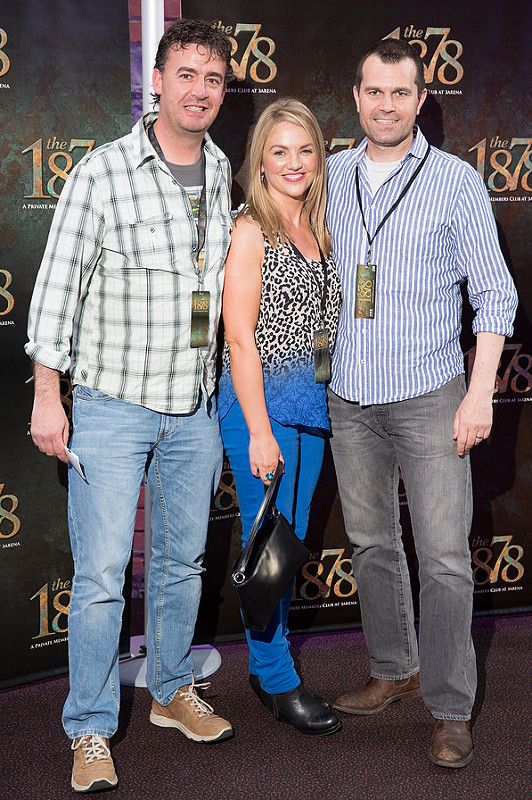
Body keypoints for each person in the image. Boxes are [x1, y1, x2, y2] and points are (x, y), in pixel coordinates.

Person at [25, 19, 235, 793]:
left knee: (183, 562)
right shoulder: (103, 172)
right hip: (111, 406)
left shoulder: (220, 172)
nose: (199, 91)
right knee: (106, 574)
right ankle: (88, 727)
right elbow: (53, 294)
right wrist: (50, 397)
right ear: (157, 79)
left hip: (194, 408)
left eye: (213, 78)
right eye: (186, 74)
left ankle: (173, 689)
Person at [326, 39, 517, 767]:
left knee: (441, 559)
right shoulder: (331, 175)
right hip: (350, 397)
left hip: (432, 395)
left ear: (420, 101)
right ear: (356, 97)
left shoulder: (455, 183)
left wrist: (478, 395)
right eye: (374, 92)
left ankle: (449, 707)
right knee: (373, 547)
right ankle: (393, 670)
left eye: (399, 94)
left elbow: (495, 293)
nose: (385, 105)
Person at [218, 98, 342, 736]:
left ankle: (269, 667)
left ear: (319, 158)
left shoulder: (321, 228)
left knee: (286, 550)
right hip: (260, 410)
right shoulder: (251, 229)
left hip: (311, 407)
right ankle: (275, 677)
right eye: (279, 152)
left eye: (305, 150)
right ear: (260, 163)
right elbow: (239, 338)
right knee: (269, 547)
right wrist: (260, 430)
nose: (293, 163)